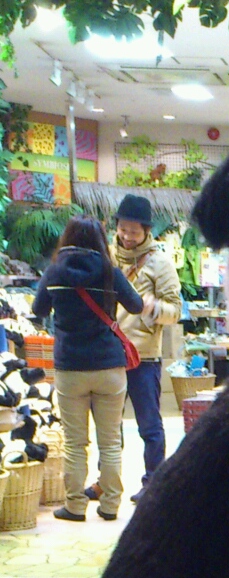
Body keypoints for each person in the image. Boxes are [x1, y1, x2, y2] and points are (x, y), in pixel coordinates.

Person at [31, 217, 143, 521]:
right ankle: (110, 505)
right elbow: (136, 305)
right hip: (109, 366)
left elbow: (38, 310)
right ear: (99, 240)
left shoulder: (55, 271)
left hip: (70, 367)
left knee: (75, 443)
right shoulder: (109, 271)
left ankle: (75, 506)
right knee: (110, 441)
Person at [89, 195, 181, 503]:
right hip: (109, 354)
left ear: (146, 231)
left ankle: (154, 483)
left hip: (143, 356)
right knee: (108, 425)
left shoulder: (160, 263)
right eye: (123, 229)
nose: (127, 236)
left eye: (134, 231)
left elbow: (175, 311)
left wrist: (153, 308)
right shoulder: (106, 257)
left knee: (149, 425)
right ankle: (106, 482)